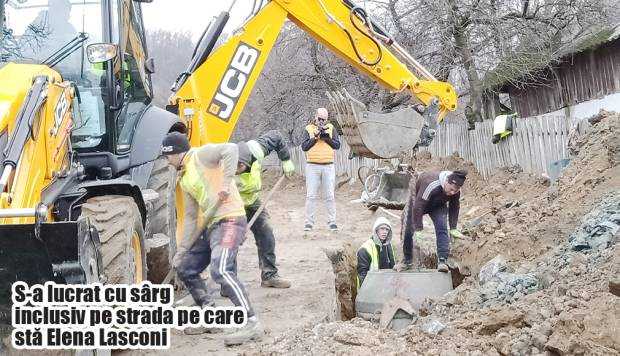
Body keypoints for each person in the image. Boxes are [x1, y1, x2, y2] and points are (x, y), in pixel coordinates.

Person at [162, 132, 262, 345]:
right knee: (186, 268)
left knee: (221, 269)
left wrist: (226, 183)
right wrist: (181, 252)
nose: (166, 161)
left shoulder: (201, 155)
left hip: (230, 220)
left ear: (177, 152)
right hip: (211, 225)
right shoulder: (184, 177)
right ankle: (210, 316)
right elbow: (190, 218)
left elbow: (231, 149)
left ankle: (252, 322)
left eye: (167, 156)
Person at [234, 130, 295, 288]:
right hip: (232, 204)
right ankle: (228, 283)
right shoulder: (220, 166)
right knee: (230, 242)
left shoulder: (256, 150)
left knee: (266, 233)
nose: (234, 170)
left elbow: (276, 136)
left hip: (253, 202)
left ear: (245, 162)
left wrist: (286, 160)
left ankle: (269, 275)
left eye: (238, 167)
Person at [398, 170, 467, 273]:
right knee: (408, 227)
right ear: (447, 182)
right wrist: (418, 228)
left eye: (455, 191)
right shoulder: (430, 183)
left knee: (442, 228)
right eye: (451, 189)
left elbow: (454, 207)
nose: (452, 193)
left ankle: (442, 261)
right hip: (420, 202)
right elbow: (418, 206)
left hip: (438, 206)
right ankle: (407, 261)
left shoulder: (456, 192)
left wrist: (453, 228)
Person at [300, 107, 341, 232]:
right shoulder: (308, 129)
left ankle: (332, 221)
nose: (321, 121)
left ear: (327, 119)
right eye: (319, 118)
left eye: (324, 119)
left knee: (329, 195)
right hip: (312, 166)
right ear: (315, 116)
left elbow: (337, 145)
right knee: (311, 195)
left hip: (328, 165)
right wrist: (315, 138)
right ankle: (309, 222)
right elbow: (304, 147)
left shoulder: (331, 128)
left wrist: (326, 138)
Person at [356, 217, 396, 288]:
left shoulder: (389, 246)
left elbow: (392, 266)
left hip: (386, 287)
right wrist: (365, 294)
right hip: (371, 289)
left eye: (387, 229)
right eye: (382, 229)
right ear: (376, 230)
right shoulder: (365, 249)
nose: (385, 232)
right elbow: (362, 275)